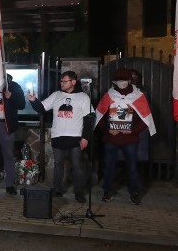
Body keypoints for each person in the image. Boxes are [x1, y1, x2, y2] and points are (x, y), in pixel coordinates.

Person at [28, 71, 93, 203]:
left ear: (73, 82)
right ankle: (58, 189)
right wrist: (33, 101)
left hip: (75, 137)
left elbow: (88, 119)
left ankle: (78, 192)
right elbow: (41, 108)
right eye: (61, 81)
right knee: (58, 164)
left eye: (65, 81)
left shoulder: (83, 97)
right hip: (58, 136)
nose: (62, 83)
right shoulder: (56, 95)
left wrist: (85, 137)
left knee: (77, 166)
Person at [94, 68, 156, 205]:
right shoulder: (108, 96)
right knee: (109, 167)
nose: (122, 82)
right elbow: (99, 117)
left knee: (132, 168)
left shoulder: (138, 96)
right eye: (119, 80)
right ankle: (107, 191)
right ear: (114, 81)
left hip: (130, 140)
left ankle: (134, 193)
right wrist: (108, 130)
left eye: (124, 80)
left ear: (129, 80)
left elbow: (146, 119)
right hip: (111, 139)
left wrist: (132, 131)